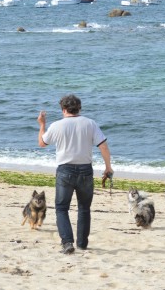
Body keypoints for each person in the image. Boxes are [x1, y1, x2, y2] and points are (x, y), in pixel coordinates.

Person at [37, 94, 113, 254]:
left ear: (63, 109)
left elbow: (42, 143)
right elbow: (103, 146)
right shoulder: (90, 123)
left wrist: (42, 125)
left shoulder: (57, 125)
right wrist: (108, 167)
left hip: (65, 170)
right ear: (79, 108)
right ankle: (83, 243)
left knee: (62, 208)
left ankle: (67, 242)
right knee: (84, 208)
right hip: (85, 169)